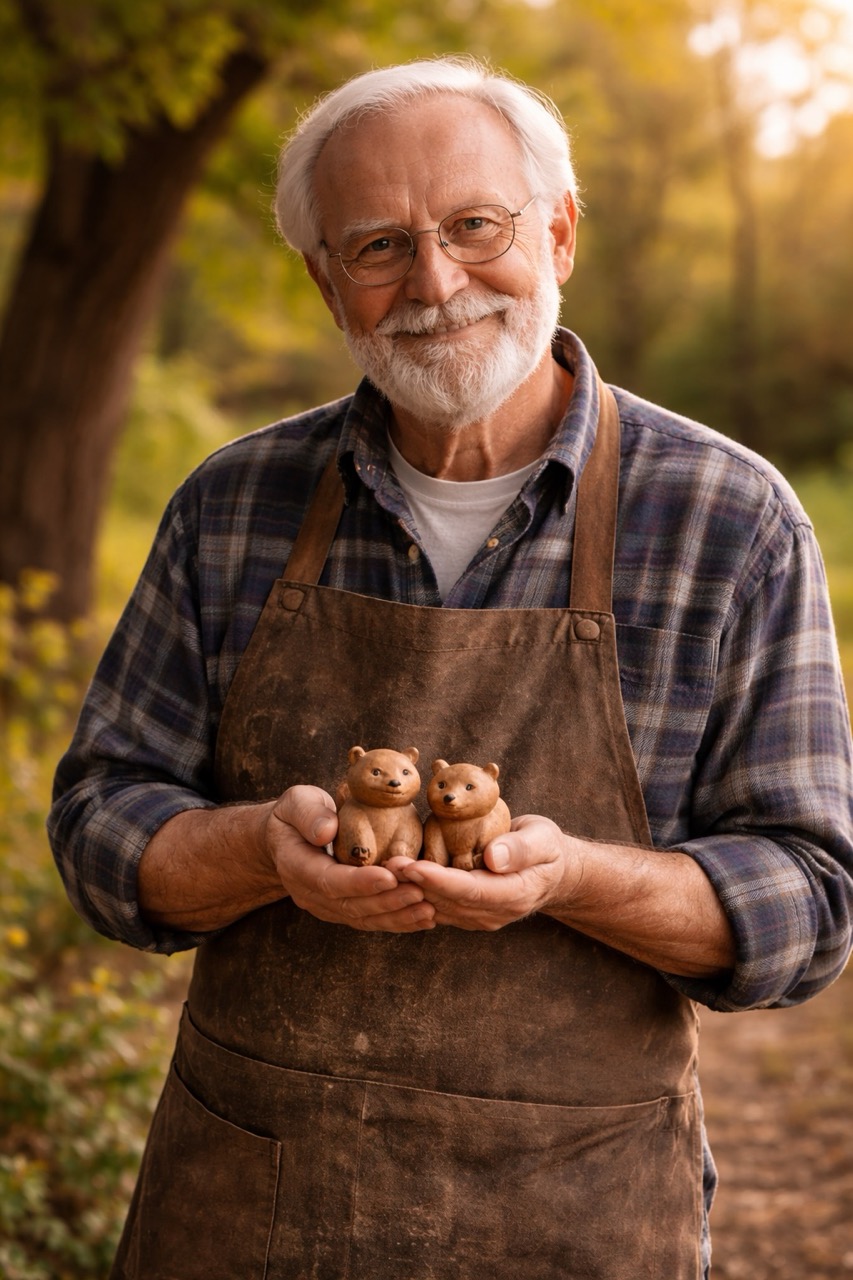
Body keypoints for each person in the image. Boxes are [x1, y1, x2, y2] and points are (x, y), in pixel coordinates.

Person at [49, 55, 853, 1280]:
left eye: (476, 226)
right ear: (326, 280)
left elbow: (807, 905)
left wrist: (572, 874)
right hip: (252, 1199)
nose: (434, 282)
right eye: (377, 246)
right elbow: (102, 823)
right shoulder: (230, 505)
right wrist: (261, 845)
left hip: (579, 1209)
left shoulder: (729, 519)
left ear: (562, 231)